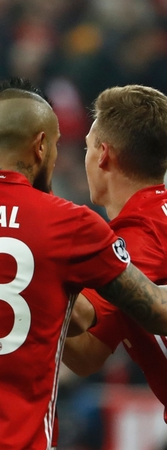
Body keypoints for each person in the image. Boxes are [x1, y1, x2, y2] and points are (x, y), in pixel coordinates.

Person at [0, 83, 167, 448]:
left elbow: (87, 353)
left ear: (102, 156)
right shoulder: (77, 225)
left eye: (83, 147)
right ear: (40, 146)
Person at [62, 85, 167, 422]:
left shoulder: (139, 236)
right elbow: (87, 355)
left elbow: (81, 323)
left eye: (87, 147)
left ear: (103, 154)